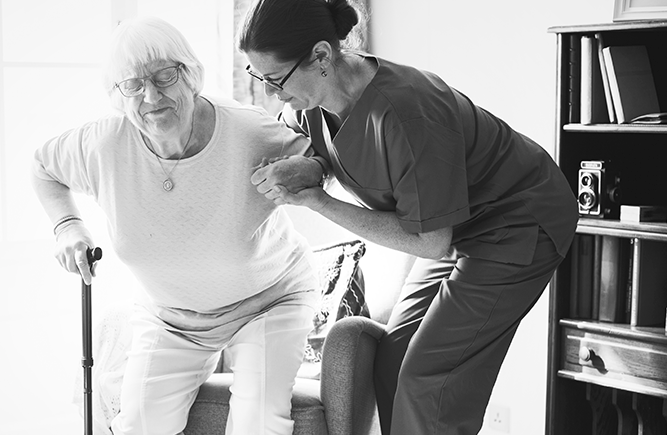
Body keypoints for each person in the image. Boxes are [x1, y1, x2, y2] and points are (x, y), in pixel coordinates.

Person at [238, 1, 579, 434]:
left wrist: (318, 202)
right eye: (258, 77)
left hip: (518, 221)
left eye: (274, 79)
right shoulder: (311, 100)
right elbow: (319, 148)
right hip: (456, 225)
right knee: (393, 359)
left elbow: (430, 242)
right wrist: (313, 169)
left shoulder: (406, 113)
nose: (271, 93)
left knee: (429, 381)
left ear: (321, 56)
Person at [31, 16, 320, 435]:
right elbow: (43, 167)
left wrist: (309, 171)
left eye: (165, 75)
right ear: (118, 95)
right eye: (133, 84)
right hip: (171, 316)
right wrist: (68, 225)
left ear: (191, 75)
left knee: (258, 420)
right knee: (140, 426)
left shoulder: (249, 130)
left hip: (270, 300)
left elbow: (324, 161)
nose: (151, 95)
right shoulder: (105, 144)